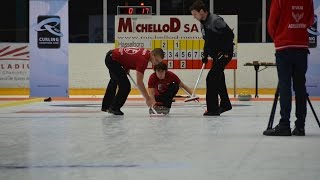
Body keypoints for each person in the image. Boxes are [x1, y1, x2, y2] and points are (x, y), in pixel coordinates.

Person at [263, 0, 314, 136]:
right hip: (301, 47)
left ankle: (284, 124)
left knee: (285, 86)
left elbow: (271, 23)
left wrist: (279, 38)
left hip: (284, 48)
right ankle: (300, 126)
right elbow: (309, 21)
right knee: (300, 87)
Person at [189, 0, 234, 116]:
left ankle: (212, 109)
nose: (194, 17)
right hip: (216, 56)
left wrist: (224, 52)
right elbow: (207, 41)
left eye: (195, 14)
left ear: (202, 11)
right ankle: (226, 104)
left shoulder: (215, 20)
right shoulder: (203, 23)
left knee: (211, 79)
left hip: (224, 55)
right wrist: (205, 54)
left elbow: (230, 35)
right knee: (218, 79)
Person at [101, 47, 165, 115]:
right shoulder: (143, 60)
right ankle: (114, 108)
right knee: (125, 86)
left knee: (114, 80)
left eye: (159, 62)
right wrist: (147, 99)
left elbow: (130, 57)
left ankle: (106, 106)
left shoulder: (146, 53)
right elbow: (139, 82)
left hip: (111, 57)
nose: (157, 63)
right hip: (113, 60)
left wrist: (126, 67)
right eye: (156, 60)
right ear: (152, 54)